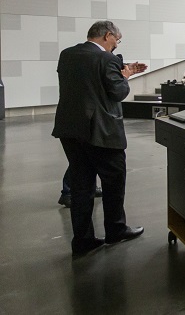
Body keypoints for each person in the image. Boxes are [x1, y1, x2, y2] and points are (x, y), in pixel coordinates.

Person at [53, 20, 146, 254]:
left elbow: (87, 85)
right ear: (107, 35)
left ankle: (82, 241)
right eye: (117, 40)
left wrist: (121, 70)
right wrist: (124, 76)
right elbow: (118, 92)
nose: (116, 44)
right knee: (114, 182)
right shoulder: (107, 59)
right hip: (101, 131)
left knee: (81, 186)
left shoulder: (67, 55)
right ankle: (116, 230)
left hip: (70, 128)